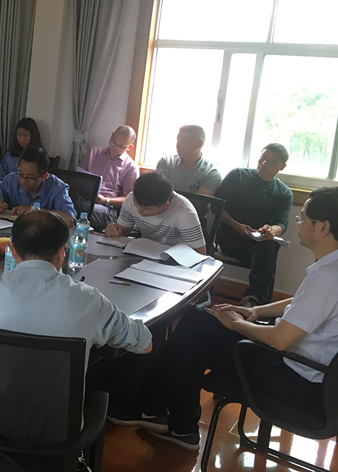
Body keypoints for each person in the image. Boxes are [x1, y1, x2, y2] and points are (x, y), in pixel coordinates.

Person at [109, 186, 338, 451]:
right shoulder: (331, 268)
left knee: (195, 338)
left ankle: (158, 413)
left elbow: (279, 340)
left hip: (295, 380)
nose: (298, 223)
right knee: (199, 322)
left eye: (302, 218)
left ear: (323, 228)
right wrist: (256, 312)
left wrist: (239, 324)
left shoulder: (327, 277)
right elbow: (301, 301)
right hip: (312, 374)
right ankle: (169, 419)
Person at [0, 210, 152, 443]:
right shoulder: (89, 300)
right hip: (59, 438)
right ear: (62, 252)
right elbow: (144, 344)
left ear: (12, 249)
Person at [215, 144, 293, 307]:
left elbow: (282, 223)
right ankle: (256, 303)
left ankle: (252, 299)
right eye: (262, 158)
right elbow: (216, 207)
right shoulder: (238, 176)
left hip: (258, 242)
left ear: (282, 166)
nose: (264, 163)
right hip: (230, 236)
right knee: (268, 263)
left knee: (270, 246)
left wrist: (271, 230)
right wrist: (237, 226)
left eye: (271, 161)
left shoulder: (283, 192)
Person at [105, 172, 206, 255]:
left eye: (145, 209)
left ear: (165, 205)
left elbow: (200, 255)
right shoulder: (131, 198)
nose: (138, 210)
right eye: (136, 204)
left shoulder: (185, 213)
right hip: (144, 252)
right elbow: (122, 233)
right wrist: (113, 231)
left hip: (173, 259)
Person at [0, 146, 76, 226]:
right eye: (20, 174)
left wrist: (35, 211)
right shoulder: (12, 180)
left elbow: (69, 219)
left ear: (44, 176)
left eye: (30, 177)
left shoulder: (57, 187)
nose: (23, 180)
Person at [79, 125, 139, 230]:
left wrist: (105, 200)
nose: (114, 147)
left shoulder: (131, 167)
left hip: (107, 208)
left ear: (129, 147)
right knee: (62, 201)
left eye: (121, 146)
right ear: (112, 135)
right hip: (83, 198)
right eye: (113, 141)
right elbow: (78, 176)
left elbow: (128, 199)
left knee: (78, 207)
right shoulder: (93, 153)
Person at [155, 125, 221, 195]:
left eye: (183, 142)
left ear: (199, 144)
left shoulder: (211, 174)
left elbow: (199, 200)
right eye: (178, 141)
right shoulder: (166, 163)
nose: (177, 145)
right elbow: (156, 194)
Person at [0, 117, 44, 181]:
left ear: (33, 136)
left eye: (26, 136)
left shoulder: (38, 156)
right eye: (19, 135)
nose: (21, 139)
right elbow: (0, 173)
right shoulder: (10, 155)